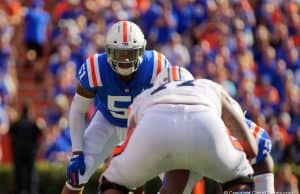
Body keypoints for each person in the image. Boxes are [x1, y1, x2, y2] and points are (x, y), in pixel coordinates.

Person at [99, 66, 258, 194]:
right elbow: (251, 148)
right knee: (240, 178)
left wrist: (127, 180)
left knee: (114, 183)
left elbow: (132, 154)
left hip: (154, 126)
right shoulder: (208, 86)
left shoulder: (144, 96)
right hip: (205, 125)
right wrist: (236, 169)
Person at [61, 20, 171, 194]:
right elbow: (78, 109)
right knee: (76, 174)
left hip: (143, 127)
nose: (126, 60)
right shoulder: (96, 68)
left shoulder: (156, 65)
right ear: (108, 51)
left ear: (142, 50)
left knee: (175, 177)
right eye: (120, 53)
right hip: (107, 122)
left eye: (130, 53)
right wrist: (76, 152)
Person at [9, 101, 42, 194]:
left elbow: (10, 133)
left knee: (17, 175)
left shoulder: (16, 123)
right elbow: (40, 133)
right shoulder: (33, 123)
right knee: (31, 175)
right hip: (30, 152)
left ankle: (17, 191)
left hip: (18, 152)